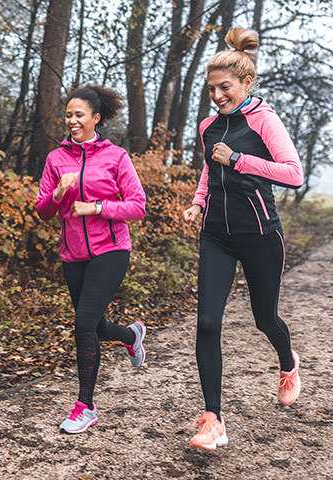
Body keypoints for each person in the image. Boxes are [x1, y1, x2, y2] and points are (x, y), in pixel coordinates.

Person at [183, 27, 304, 451]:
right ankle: (213, 418)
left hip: (260, 235)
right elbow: (207, 171)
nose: (217, 95)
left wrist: (240, 159)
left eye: (225, 87)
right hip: (216, 234)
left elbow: (293, 172)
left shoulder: (264, 120)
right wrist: (198, 203)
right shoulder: (208, 127)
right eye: (212, 88)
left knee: (264, 319)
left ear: (246, 83)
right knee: (207, 322)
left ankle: (288, 365)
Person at [36, 85, 147, 434]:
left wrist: (97, 207)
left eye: (78, 115)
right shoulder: (57, 159)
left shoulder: (115, 157)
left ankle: (85, 406)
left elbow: (138, 206)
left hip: (111, 250)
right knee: (95, 326)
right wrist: (58, 194)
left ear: (95, 119)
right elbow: (43, 212)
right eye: (68, 115)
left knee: (83, 325)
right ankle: (130, 336)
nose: (71, 120)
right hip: (73, 254)